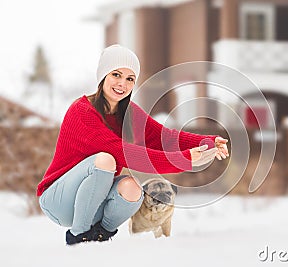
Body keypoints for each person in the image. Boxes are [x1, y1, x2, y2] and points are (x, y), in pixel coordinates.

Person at [36, 44, 229, 245]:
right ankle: (79, 236)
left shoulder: (128, 113)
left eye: (130, 79)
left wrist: (207, 142)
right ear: (103, 76)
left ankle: (101, 235)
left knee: (133, 187)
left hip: (92, 201)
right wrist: (184, 159)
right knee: (106, 160)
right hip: (58, 200)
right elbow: (122, 153)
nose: (123, 84)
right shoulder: (82, 112)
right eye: (116, 75)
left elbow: (165, 137)